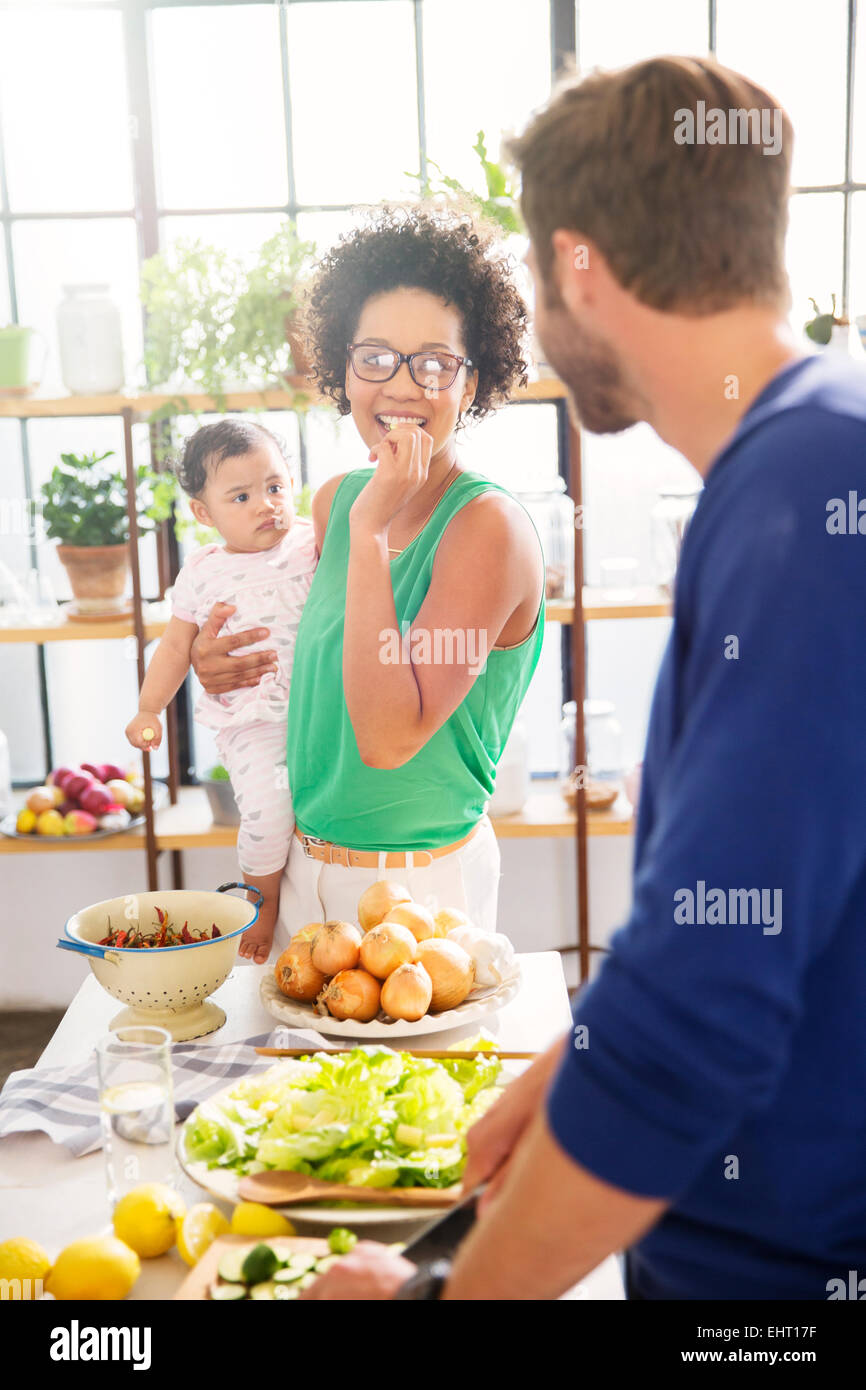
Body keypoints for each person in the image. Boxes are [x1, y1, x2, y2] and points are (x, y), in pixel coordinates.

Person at [301, 55, 866, 1300]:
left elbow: (694, 1027)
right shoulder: (802, 452)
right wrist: (573, 1065)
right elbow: (773, 922)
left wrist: (441, 1299)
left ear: (576, 267)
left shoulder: (801, 494)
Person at [189, 205, 546, 951]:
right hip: (300, 872)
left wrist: (371, 532)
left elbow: (388, 737)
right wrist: (218, 663)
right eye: (375, 357)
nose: (403, 386)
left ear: (471, 380)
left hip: (424, 892)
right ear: (343, 368)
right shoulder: (335, 502)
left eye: (436, 363)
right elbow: (311, 661)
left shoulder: (488, 530)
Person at [125, 419, 318, 962]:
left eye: (276, 487)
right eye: (242, 496)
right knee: (267, 811)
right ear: (204, 514)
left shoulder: (311, 541)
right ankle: (262, 900)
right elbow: (173, 648)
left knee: (318, 817)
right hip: (252, 720)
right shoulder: (203, 574)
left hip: (323, 712)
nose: (267, 505)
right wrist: (149, 707)